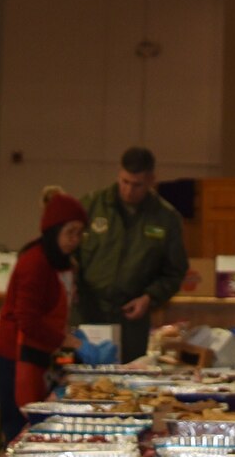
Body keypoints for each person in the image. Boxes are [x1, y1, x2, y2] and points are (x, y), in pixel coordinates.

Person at [0, 186, 88, 442]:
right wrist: (69, 341)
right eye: (69, 233)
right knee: (19, 432)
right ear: (54, 231)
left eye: (79, 233)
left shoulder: (62, 262)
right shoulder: (34, 262)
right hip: (13, 360)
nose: (74, 240)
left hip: (37, 357)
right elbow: (27, 319)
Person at [71, 146, 188, 361]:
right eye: (124, 182)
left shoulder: (165, 218)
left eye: (137, 185)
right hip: (87, 312)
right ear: (118, 173)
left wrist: (150, 297)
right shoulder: (91, 206)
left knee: (126, 385)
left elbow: (175, 271)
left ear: (152, 180)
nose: (128, 190)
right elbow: (68, 252)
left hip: (130, 318)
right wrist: (70, 282)